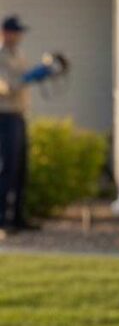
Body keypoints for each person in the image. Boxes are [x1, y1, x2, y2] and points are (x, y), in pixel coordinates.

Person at [0, 15, 56, 233]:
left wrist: (43, 72)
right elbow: (7, 85)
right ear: (6, 32)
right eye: (16, 31)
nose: (19, 36)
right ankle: (3, 220)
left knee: (21, 169)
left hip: (19, 115)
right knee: (6, 168)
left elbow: (23, 77)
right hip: (5, 117)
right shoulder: (1, 55)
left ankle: (18, 218)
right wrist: (31, 76)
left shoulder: (17, 54)